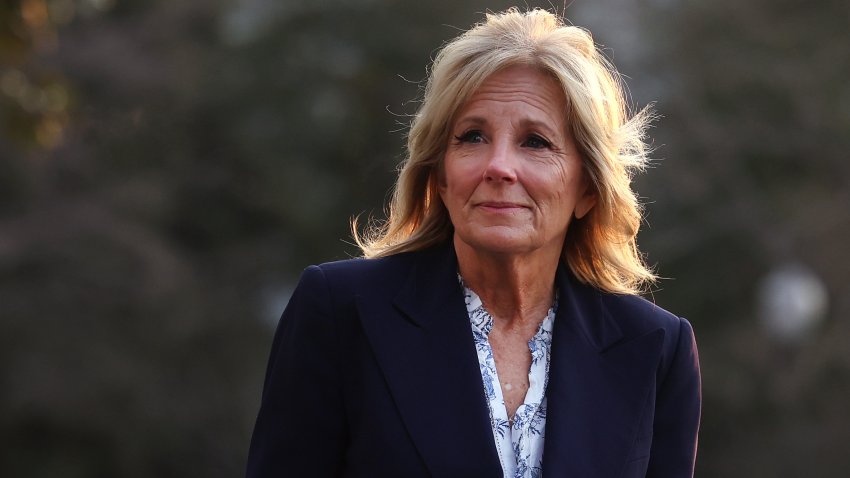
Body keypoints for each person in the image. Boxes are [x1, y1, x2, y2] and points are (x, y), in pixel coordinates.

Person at [246, 8, 700, 478]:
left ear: (588, 188)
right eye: (473, 136)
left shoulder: (655, 349)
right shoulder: (342, 313)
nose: (498, 166)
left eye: (536, 142)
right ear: (440, 175)